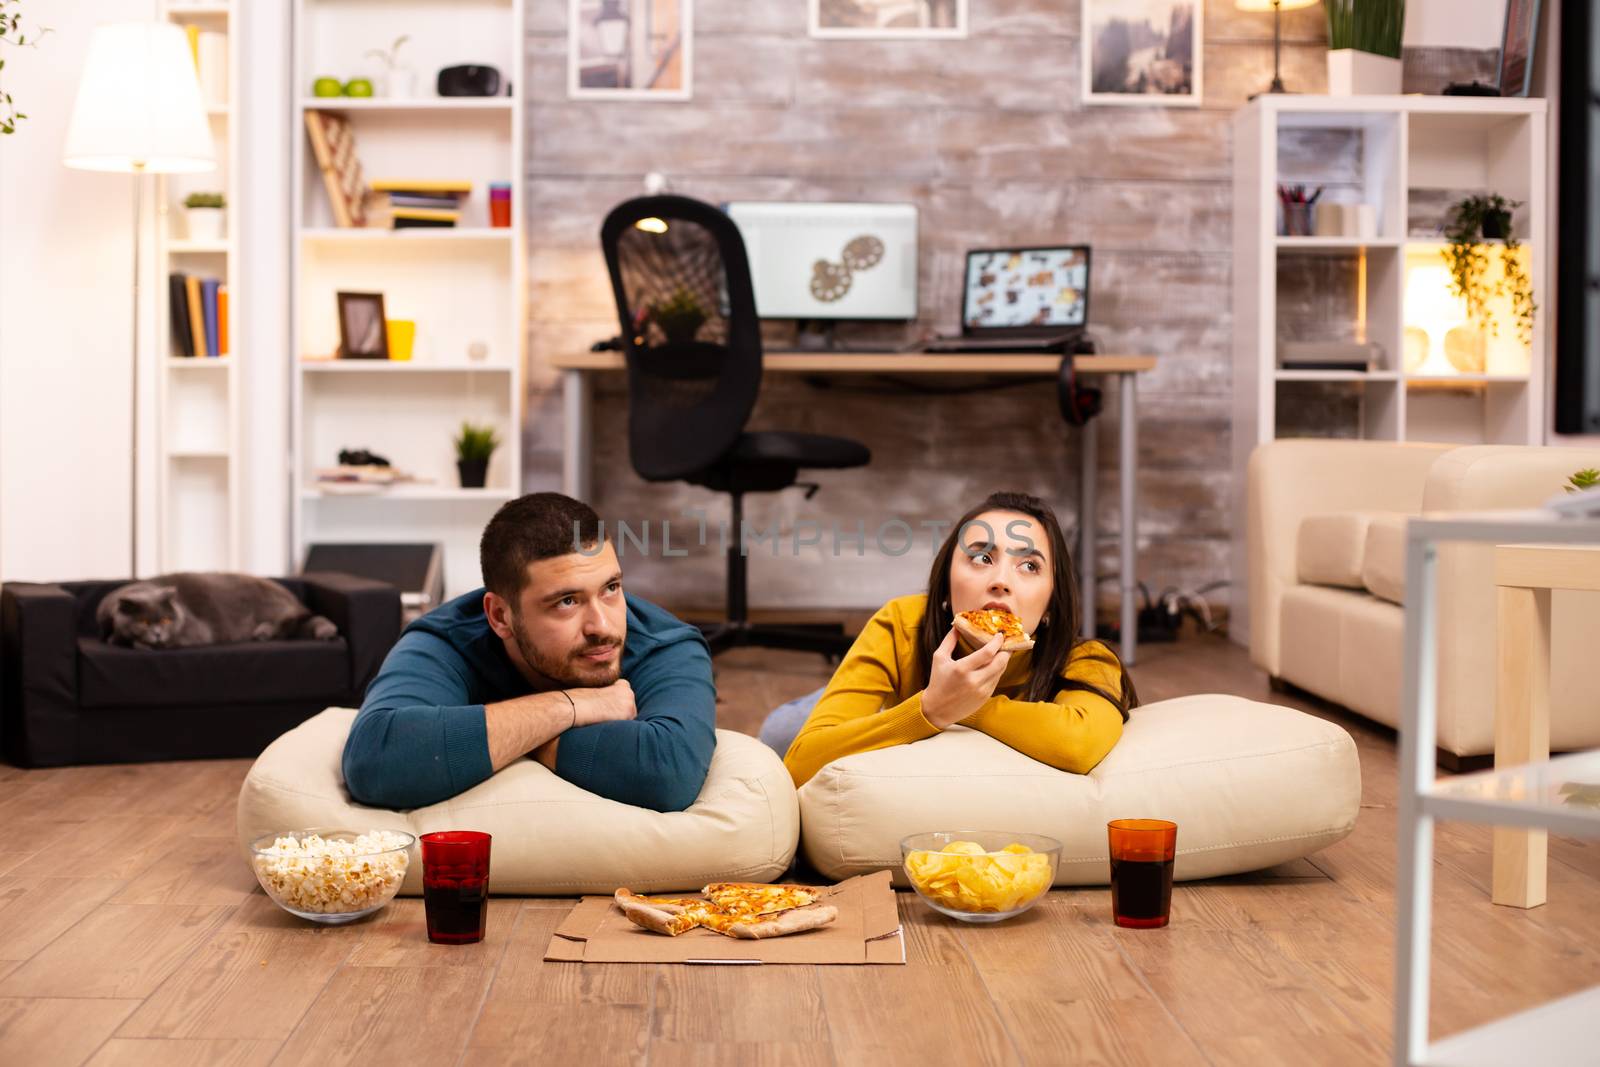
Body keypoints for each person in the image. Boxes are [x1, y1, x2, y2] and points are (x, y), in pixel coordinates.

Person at [341, 493, 716, 812]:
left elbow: (669, 773)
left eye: (611, 587)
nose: (602, 626)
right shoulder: (445, 640)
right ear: (500, 616)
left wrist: (510, 737)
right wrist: (570, 707)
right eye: (567, 601)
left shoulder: (664, 643)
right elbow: (376, 760)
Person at [775, 490, 1137, 787]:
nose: (1001, 580)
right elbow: (802, 762)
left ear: (1049, 607)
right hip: (871, 708)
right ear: (945, 588)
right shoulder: (902, 623)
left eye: (1029, 566)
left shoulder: (1087, 659)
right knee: (780, 731)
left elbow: (1079, 745)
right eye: (981, 557)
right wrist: (929, 709)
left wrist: (957, 704)